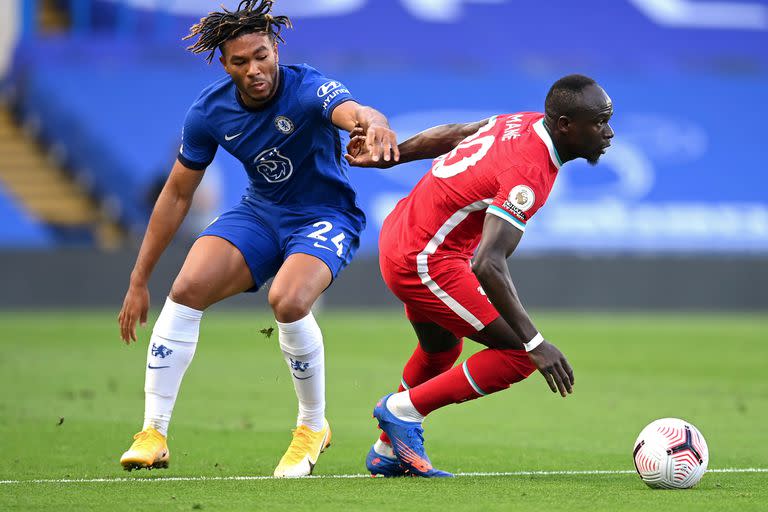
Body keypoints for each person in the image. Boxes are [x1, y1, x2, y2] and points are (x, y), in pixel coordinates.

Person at [117, 0, 398, 477]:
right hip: (261, 213)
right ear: (225, 65)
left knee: (287, 301)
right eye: (240, 62)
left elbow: (355, 111)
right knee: (185, 291)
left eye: (262, 55)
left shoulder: (309, 87)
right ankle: (153, 433)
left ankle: (312, 427)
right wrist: (139, 277)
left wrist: (376, 125)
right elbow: (177, 195)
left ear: (276, 49)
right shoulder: (209, 111)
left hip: (324, 216)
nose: (255, 69)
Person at [345, 74, 613, 477]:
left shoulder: (522, 121)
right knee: (520, 356)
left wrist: (394, 155)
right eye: (598, 122)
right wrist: (536, 341)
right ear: (564, 126)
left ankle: (387, 450)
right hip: (425, 260)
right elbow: (487, 262)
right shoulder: (530, 171)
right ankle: (401, 412)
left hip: (405, 232)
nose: (609, 132)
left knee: (440, 349)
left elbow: (454, 134)